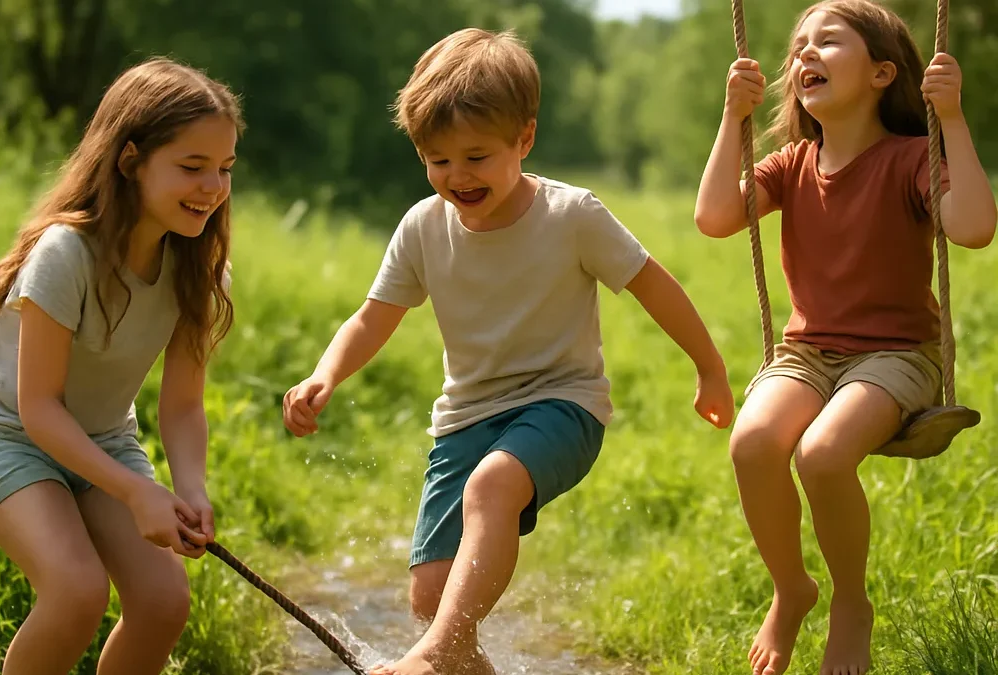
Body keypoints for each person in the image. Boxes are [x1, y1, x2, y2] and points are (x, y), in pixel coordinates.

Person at [283, 26, 735, 675]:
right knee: (432, 598)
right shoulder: (422, 227)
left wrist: (710, 368)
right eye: (438, 159)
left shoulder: (571, 215)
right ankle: (450, 653)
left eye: (476, 156)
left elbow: (653, 286)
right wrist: (325, 374)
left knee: (492, 487)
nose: (457, 176)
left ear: (524, 139)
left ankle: (433, 656)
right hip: (465, 418)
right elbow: (371, 318)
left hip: (563, 405)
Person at [694, 2, 997, 674]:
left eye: (828, 42)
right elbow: (714, 217)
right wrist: (732, 117)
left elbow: (975, 228)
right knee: (752, 442)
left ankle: (851, 603)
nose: (805, 52)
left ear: (883, 73)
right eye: (799, 45)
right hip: (808, 353)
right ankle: (792, 589)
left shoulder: (911, 158)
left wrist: (951, 118)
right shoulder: (791, 163)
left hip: (896, 355)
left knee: (824, 454)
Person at [0, 57, 242, 675]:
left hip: (102, 441)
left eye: (225, 168)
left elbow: (182, 405)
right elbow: (39, 408)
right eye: (192, 167)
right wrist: (136, 491)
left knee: (163, 602)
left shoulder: (198, 271)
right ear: (129, 160)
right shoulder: (65, 253)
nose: (213, 187)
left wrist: (190, 489)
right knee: (77, 591)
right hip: (4, 435)